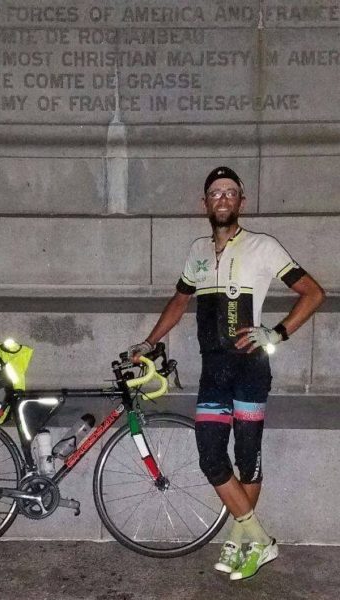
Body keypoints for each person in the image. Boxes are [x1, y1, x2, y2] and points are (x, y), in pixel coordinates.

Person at [129, 166, 325, 581]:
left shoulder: (263, 246)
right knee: (211, 456)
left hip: (250, 368)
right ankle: (260, 538)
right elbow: (179, 302)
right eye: (215, 193)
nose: (223, 199)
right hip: (213, 370)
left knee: (247, 458)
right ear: (204, 203)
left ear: (241, 202)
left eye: (230, 192)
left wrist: (277, 332)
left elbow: (313, 293)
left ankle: (239, 541)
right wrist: (149, 342)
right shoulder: (198, 250)